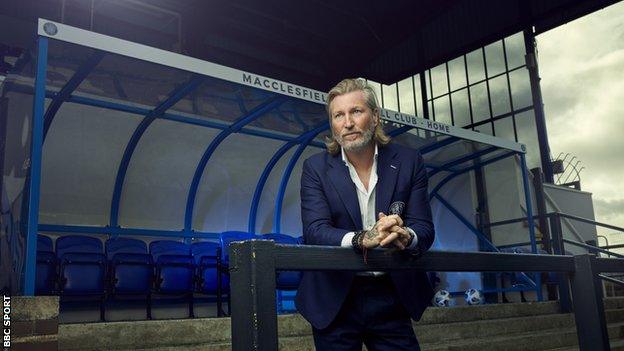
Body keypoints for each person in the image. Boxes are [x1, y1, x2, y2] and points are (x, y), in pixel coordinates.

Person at [296, 78, 435, 350]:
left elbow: (425, 228)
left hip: (391, 294)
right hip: (335, 297)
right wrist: (362, 238)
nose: (347, 123)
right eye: (339, 115)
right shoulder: (315, 168)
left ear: (375, 117)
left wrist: (406, 235)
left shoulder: (409, 161)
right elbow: (315, 230)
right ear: (332, 123)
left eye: (356, 111)